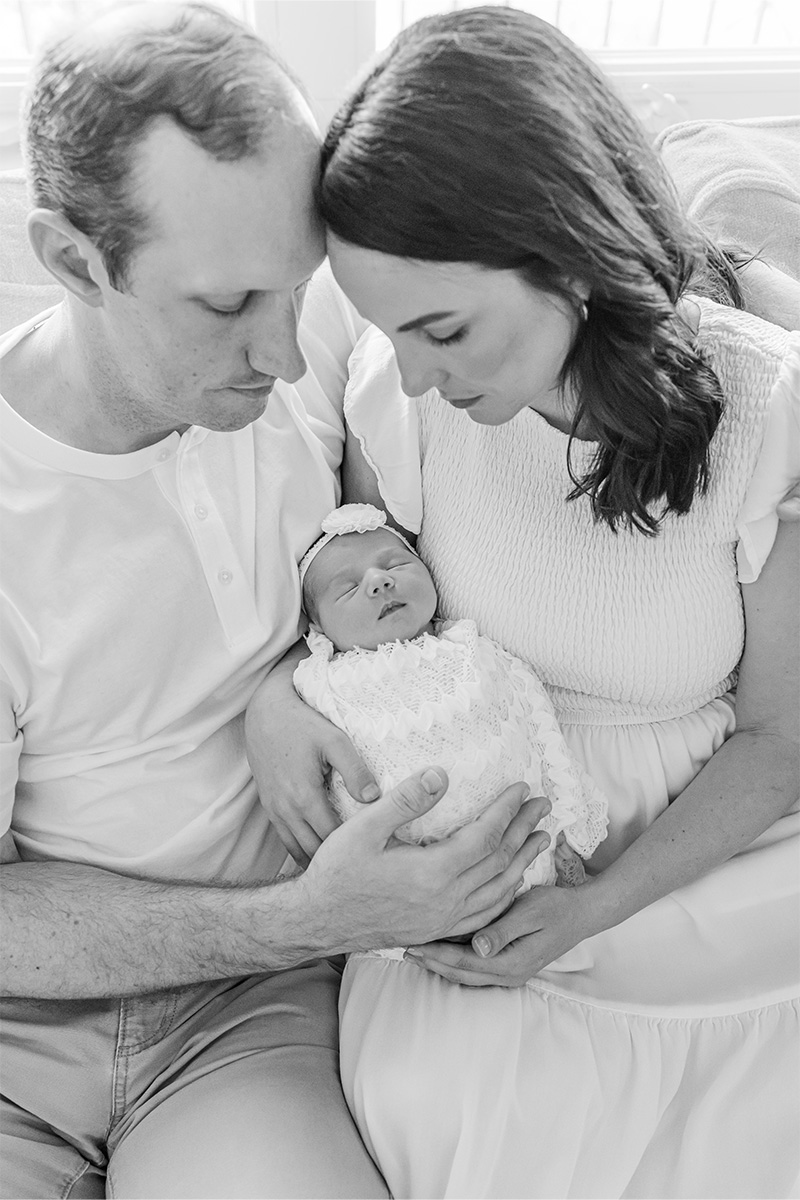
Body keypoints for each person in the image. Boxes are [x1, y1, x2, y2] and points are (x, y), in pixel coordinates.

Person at [0, 5, 552, 1197]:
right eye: (225, 306)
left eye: (292, 293)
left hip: (241, 1029)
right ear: (73, 261)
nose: (286, 356)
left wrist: (278, 687)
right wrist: (306, 917)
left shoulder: (302, 368)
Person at [249, 7, 800, 1197]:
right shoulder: (412, 409)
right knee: (459, 1116)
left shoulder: (761, 412)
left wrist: (600, 903)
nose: (417, 375)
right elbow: (354, 599)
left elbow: (781, 735)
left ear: (570, 254)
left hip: (706, 853)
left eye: (443, 330)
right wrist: (275, 703)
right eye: (391, 333)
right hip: (489, 854)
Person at [292, 501, 607, 892]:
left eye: (394, 565)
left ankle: (551, 869)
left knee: (530, 897)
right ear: (318, 626)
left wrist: (569, 822)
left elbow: (537, 726)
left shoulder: (471, 647)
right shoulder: (319, 682)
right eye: (349, 588)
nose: (379, 581)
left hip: (517, 842)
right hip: (394, 873)